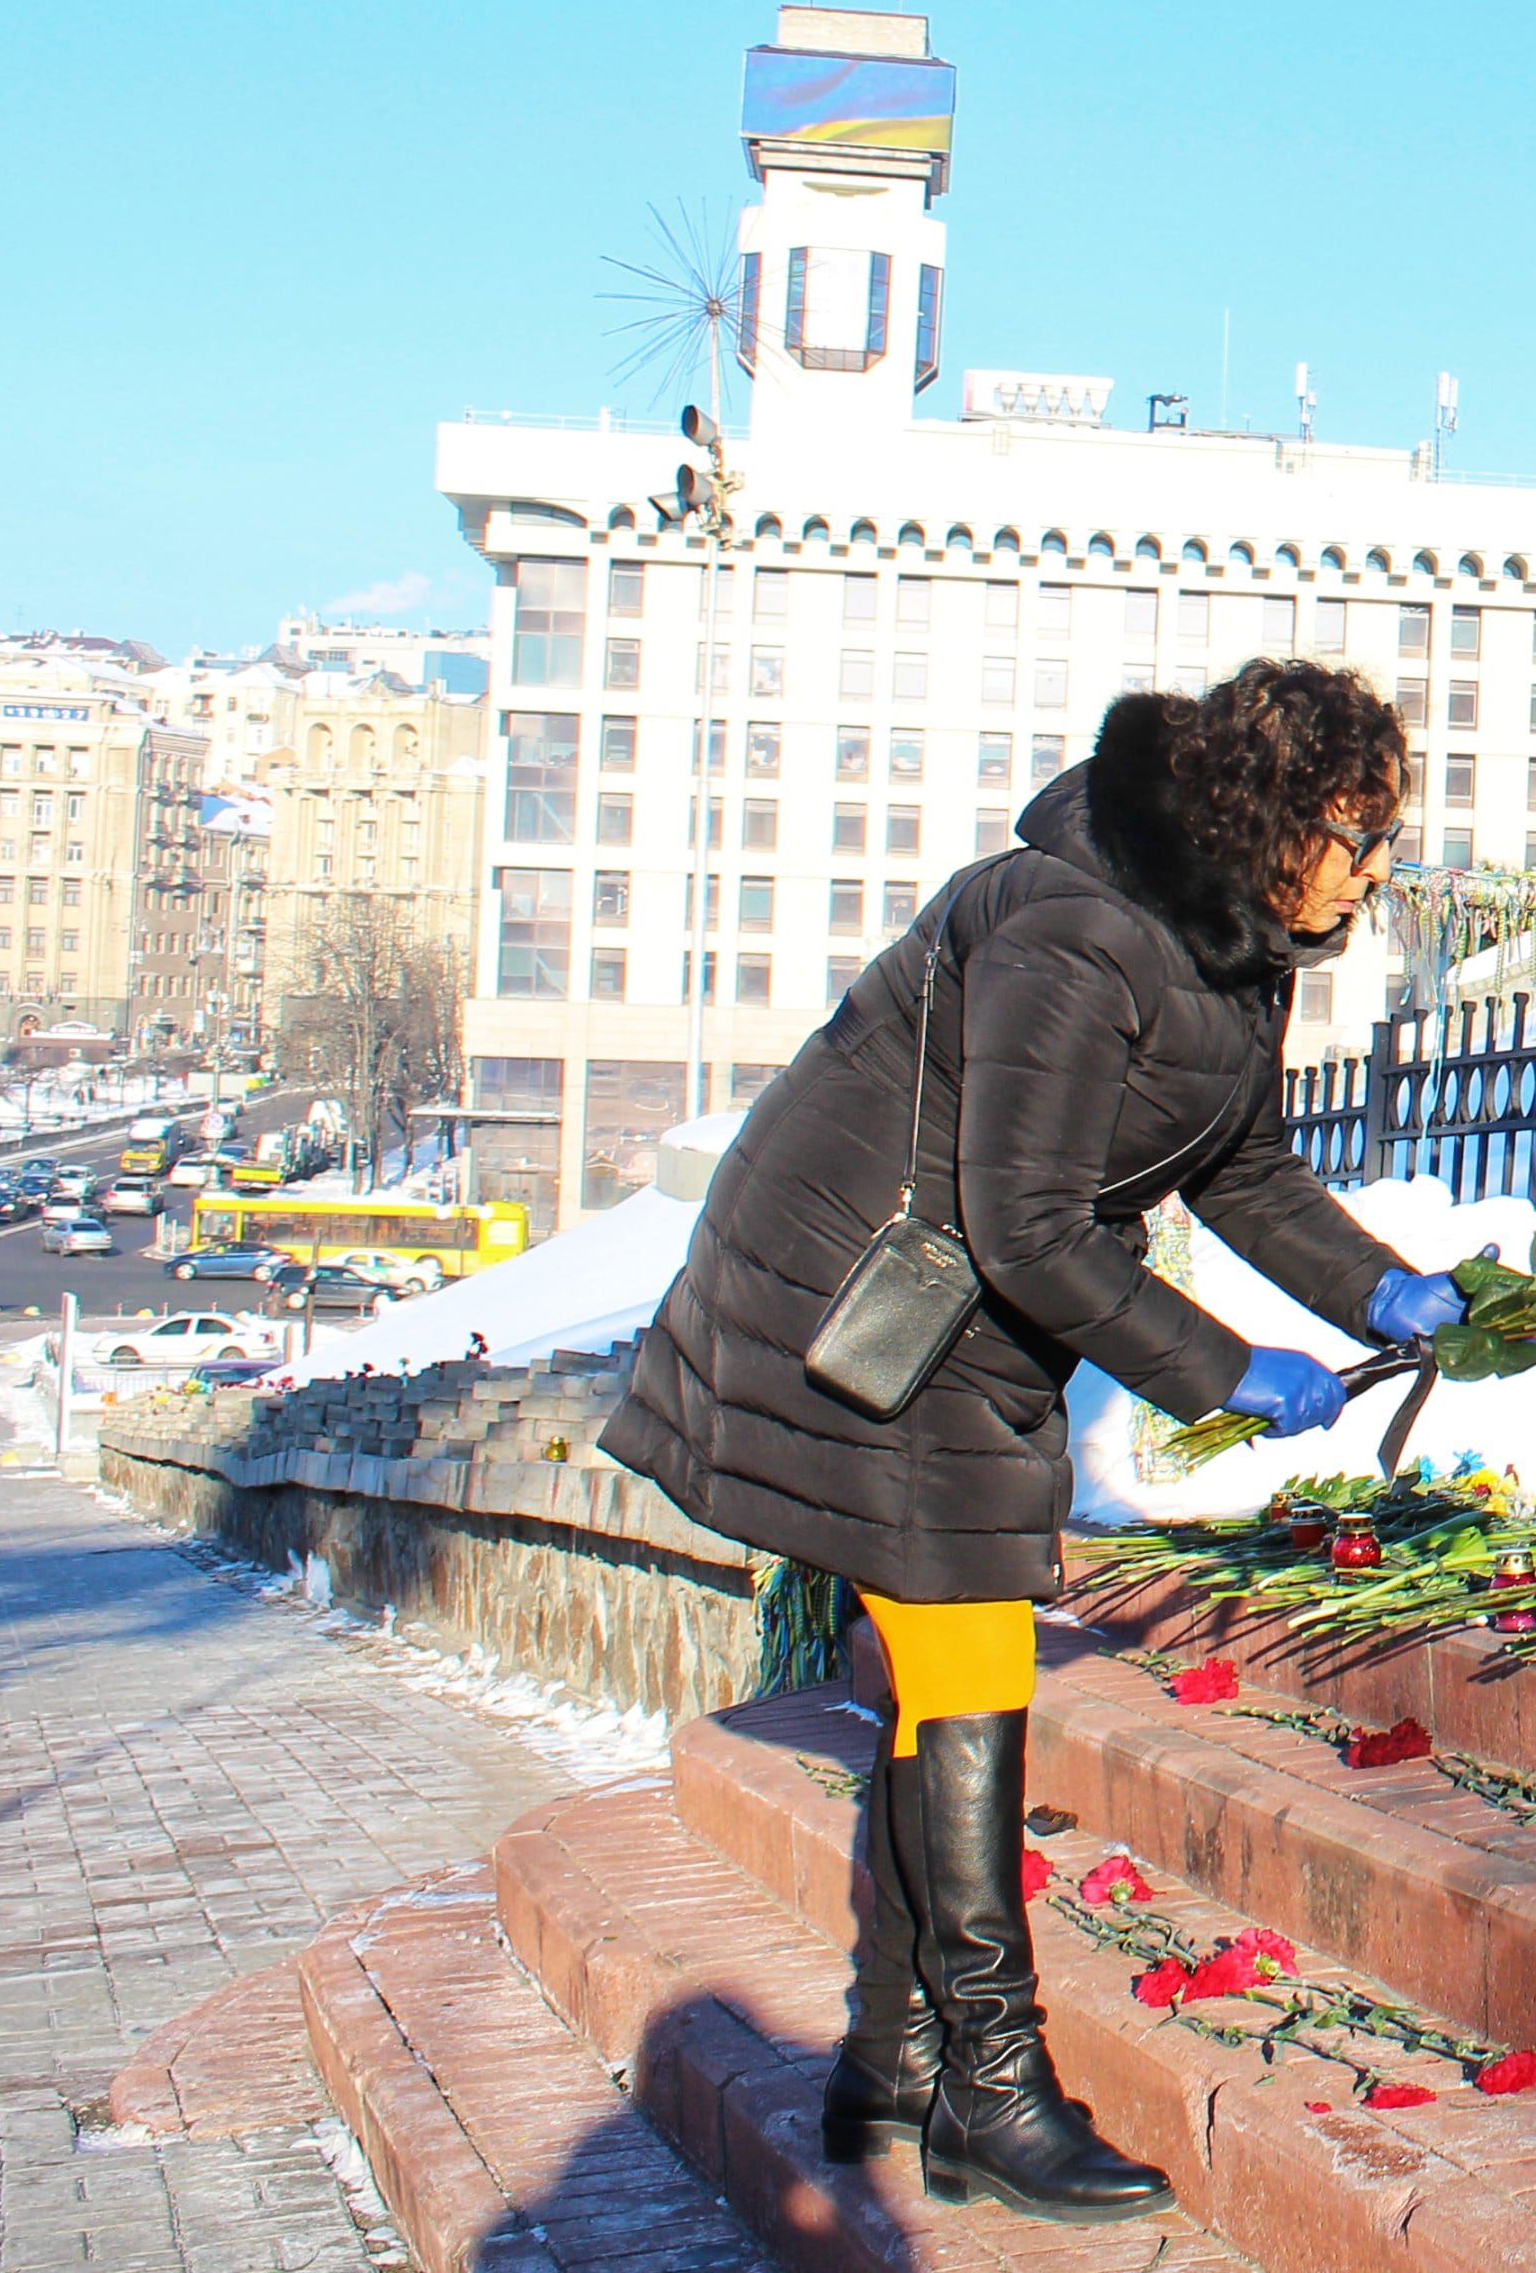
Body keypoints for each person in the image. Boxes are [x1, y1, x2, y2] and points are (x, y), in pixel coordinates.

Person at [603, 660, 1465, 2225]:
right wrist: (1225, 1371)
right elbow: (1027, 1223)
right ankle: (989, 2088)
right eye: (1360, 833)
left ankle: (895, 2056)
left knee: (955, 1660)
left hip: (960, 1312)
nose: (1377, 868)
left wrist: (1378, 1289)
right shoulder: (1074, 929)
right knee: (972, 1652)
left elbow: (1242, 1167)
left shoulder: (1238, 946)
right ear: (1270, 819)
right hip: (852, 1295)